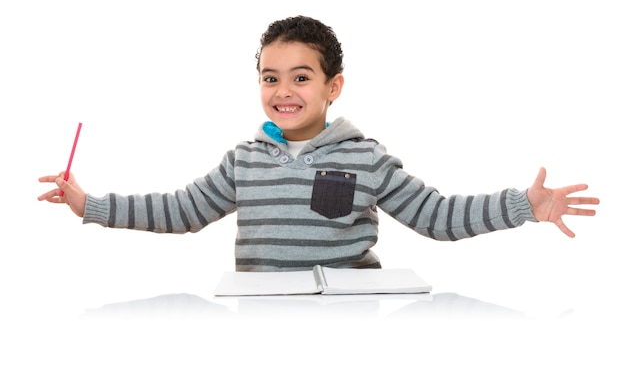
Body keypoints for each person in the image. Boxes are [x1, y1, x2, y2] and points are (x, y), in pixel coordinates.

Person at [38, 16, 600, 272]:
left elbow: (437, 216)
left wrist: (524, 205)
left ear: (333, 87)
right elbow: (180, 210)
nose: (284, 90)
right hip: (259, 317)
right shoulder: (244, 159)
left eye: (301, 77)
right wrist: (92, 206)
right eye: (270, 77)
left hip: (350, 318)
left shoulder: (366, 156)